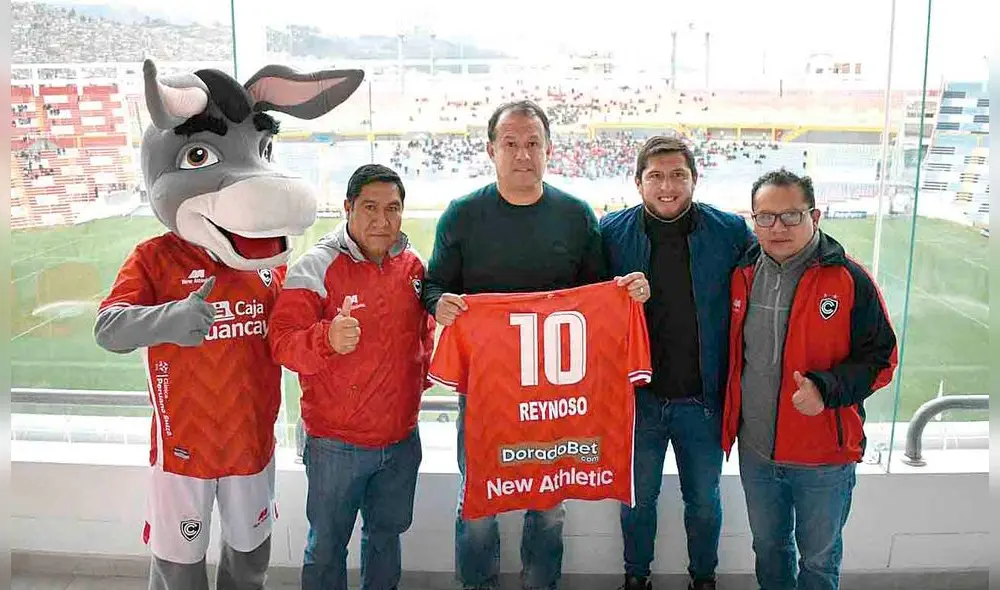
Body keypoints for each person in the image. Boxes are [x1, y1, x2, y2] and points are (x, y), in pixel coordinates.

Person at [421, 99, 649, 590]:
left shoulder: (574, 215)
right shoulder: (463, 215)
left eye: (532, 144)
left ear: (549, 150)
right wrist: (439, 303)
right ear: (491, 150)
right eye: (510, 144)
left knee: (548, 503)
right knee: (478, 504)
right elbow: (432, 285)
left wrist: (626, 292)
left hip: (554, 396)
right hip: (484, 393)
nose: (522, 154)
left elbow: (598, 296)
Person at [723, 168, 898, 590]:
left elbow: (883, 359)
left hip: (825, 457)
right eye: (765, 217)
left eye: (791, 216)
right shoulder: (742, 275)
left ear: (814, 216)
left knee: (819, 562)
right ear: (753, 220)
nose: (777, 227)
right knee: (769, 550)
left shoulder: (849, 279)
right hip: (758, 453)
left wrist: (826, 389)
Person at [268, 164, 435, 590]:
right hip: (335, 445)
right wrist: (326, 338)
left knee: (385, 539)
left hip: (400, 439)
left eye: (393, 209)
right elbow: (282, 343)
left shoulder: (413, 265)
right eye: (370, 208)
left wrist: (427, 372)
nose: (382, 220)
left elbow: (423, 334)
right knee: (326, 547)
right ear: (347, 208)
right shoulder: (315, 266)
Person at [600, 135, 756, 590]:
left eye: (677, 175)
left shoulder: (728, 230)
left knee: (704, 502)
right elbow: (587, 304)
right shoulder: (611, 232)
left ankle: (703, 579)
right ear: (637, 182)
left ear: (694, 179)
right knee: (636, 501)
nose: (667, 186)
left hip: (701, 399)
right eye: (656, 176)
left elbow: (762, 282)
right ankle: (636, 578)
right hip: (638, 400)